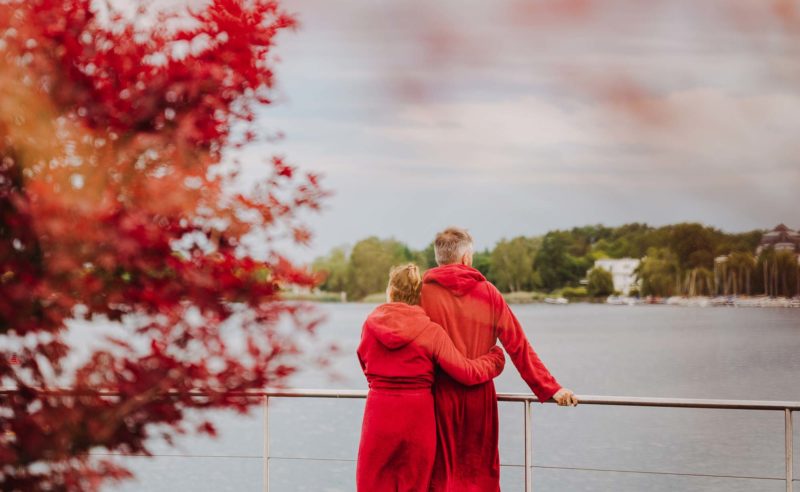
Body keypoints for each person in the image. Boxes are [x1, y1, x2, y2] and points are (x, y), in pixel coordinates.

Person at [422, 227, 579, 492]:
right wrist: (551, 388)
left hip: (438, 396)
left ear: (438, 258)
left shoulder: (421, 294)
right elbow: (518, 346)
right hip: (479, 397)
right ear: (467, 259)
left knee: (441, 474)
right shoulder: (488, 293)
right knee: (480, 473)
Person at [356, 263, 506, 492]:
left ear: (390, 291)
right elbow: (466, 373)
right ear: (418, 295)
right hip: (418, 418)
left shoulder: (370, 325)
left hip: (379, 414)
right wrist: (494, 359)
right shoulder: (430, 331)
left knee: (372, 484)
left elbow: (364, 361)